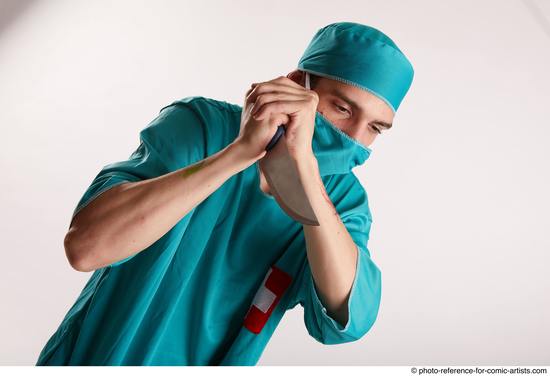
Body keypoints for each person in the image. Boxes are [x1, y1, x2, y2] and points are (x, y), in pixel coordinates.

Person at [36, 21, 414, 366]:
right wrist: (238, 153)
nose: (354, 137)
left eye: (375, 128)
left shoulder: (344, 201)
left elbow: (348, 320)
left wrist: (307, 174)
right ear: (299, 85)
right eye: (343, 108)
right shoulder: (200, 126)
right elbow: (86, 248)